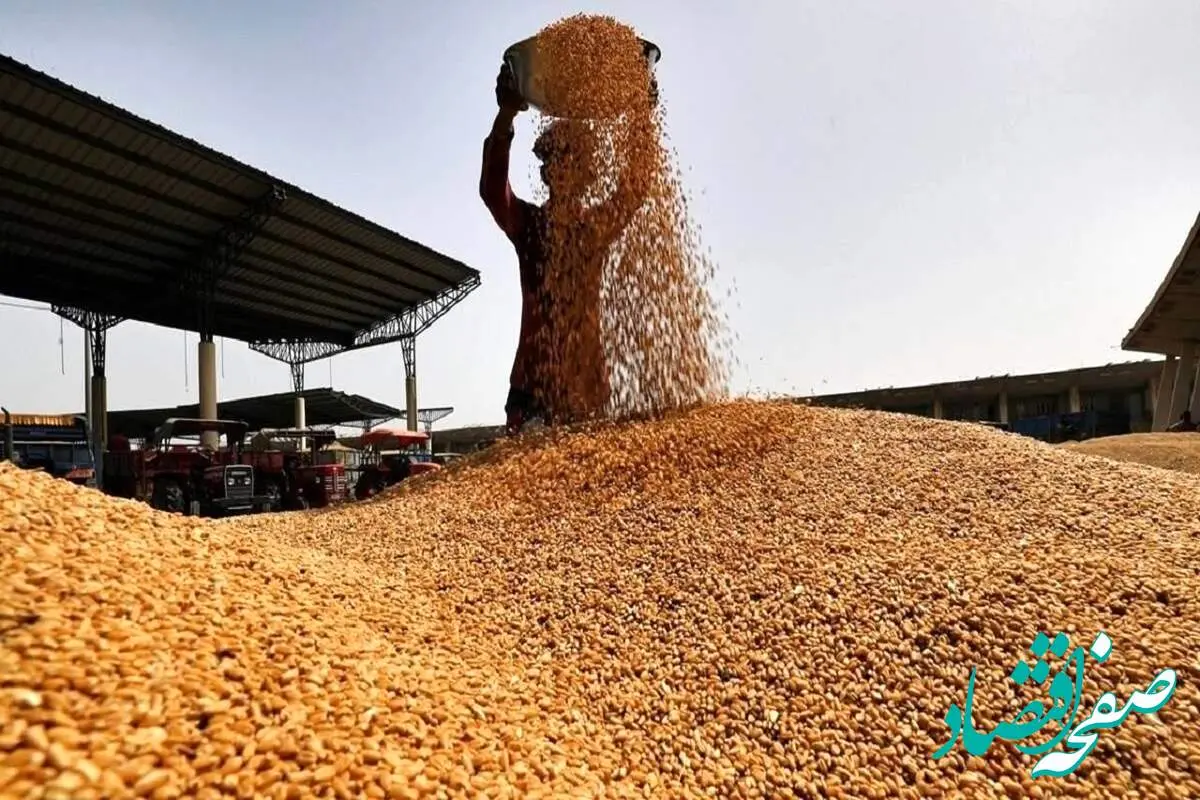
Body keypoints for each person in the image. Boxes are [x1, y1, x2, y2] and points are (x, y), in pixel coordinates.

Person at [480, 62, 654, 436]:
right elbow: (494, 191)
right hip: (532, 393)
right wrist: (506, 114)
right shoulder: (529, 226)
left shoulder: (594, 228)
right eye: (557, 162)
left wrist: (642, 115)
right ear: (546, 173)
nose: (564, 171)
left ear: (589, 173)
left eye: (575, 163)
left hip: (587, 391)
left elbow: (635, 188)